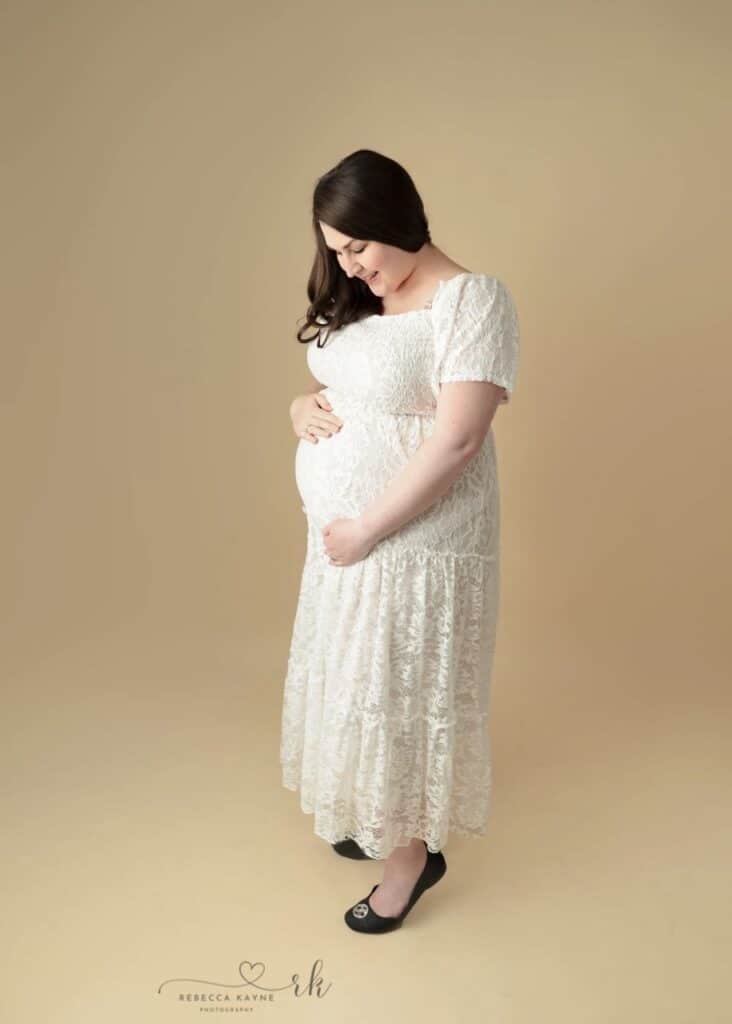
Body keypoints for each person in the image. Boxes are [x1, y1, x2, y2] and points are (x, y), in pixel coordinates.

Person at [280, 148, 520, 933]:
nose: (350, 268)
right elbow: (350, 386)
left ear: (398, 220)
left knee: (403, 693)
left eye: (359, 247)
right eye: (337, 252)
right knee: (360, 683)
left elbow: (457, 442)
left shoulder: (470, 300)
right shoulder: (369, 299)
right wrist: (298, 412)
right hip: (352, 543)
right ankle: (380, 815)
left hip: (417, 543)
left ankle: (412, 859)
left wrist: (367, 528)